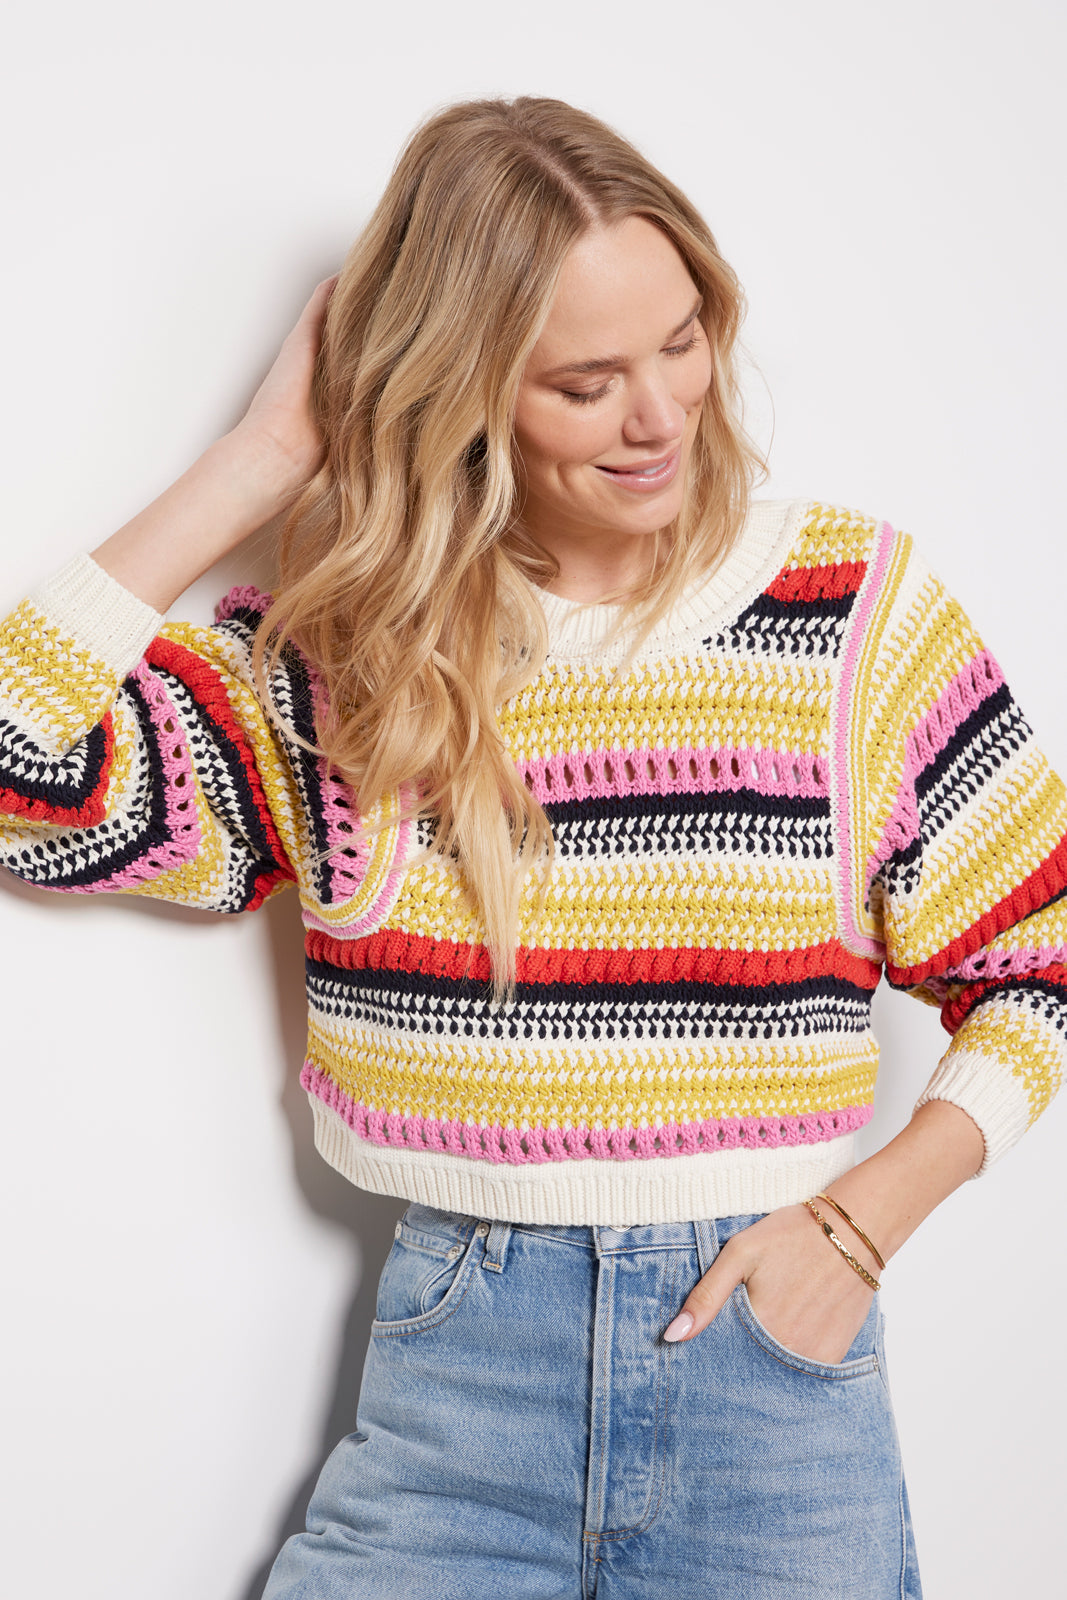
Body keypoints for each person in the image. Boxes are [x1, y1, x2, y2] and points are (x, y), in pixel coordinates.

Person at [2, 95, 1064, 1599]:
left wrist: (856, 1230)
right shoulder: (350, 663)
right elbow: (22, 770)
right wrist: (259, 458)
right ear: (467, 392)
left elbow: (1041, 965)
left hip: (768, 1379)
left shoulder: (854, 614)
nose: (663, 416)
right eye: (585, 382)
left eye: (682, 342)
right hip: (458, 1382)